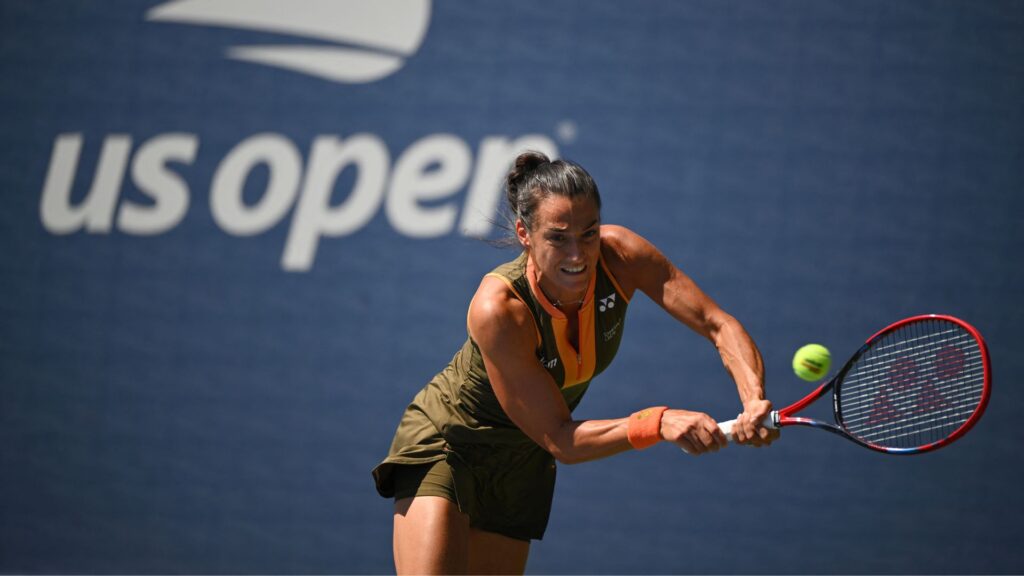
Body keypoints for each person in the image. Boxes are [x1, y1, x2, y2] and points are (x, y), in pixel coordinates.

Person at [372, 151, 778, 574]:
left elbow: (717, 324)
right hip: (450, 442)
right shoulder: (500, 310)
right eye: (558, 238)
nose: (578, 254)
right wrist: (657, 422)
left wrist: (753, 399)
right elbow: (560, 438)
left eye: (589, 234)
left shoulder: (621, 256)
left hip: (523, 458)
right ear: (525, 233)